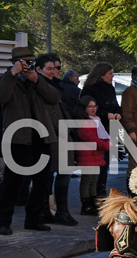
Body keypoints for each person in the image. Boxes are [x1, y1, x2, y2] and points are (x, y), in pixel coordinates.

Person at [0, 47, 60, 235]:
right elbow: (2, 98)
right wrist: (12, 74)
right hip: (18, 139)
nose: (28, 66)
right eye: (24, 62)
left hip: (41, 137)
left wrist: (36, 80)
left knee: (42, 182)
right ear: (15, 63)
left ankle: (33, 219)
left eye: (30, 62)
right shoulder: (7, 79)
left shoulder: (37, 79)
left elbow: (54, 97)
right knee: (12, 183)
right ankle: (3, 221)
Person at [35, 54, 78, 226]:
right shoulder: (40, 85)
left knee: (60, 173)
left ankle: (59, 211)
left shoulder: (55, 85)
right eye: (51, 68)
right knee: (54, 174)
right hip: (52, 135)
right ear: (39, 70)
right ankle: (55, 211)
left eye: (57, 68)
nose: (55, 71)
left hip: (61, 133)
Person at [80, 62, 122, 197]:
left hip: (109, 129)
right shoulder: (90, 89)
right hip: (95, 129)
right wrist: (105, 114)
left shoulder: (110, 88)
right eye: (110, 73)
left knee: (104, 164)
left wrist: (118, 112)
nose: (113, 76)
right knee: (95, 166)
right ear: (102, 75)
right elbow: (86, 108)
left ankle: (101, 193)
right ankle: (92, 196)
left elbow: (115, 104)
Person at [73, 96, 110, 215]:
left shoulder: (96, 119)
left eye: (94, 106)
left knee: (94, 180)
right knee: (87, 180)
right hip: (87, 154)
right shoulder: (83, 121)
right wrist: (107, 145)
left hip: (96, 154)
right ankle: (86, 206)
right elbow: (91, 138)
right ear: (83, 107)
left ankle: (92, 203)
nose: (93, 109)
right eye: (90, 106)